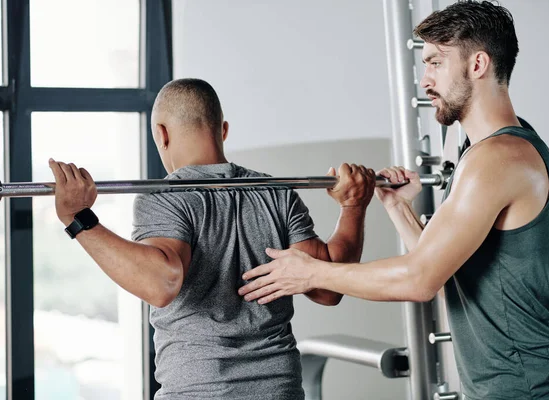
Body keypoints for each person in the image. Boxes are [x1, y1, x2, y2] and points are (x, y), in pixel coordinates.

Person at [238, 2, 549, 399]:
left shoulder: (497, 159)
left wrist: (311, 274)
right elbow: (445, 270)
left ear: (478, 65)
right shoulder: (486, 152)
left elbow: (420, 279)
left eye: (436, 63)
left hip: (534, 392)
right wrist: (396, 205)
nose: (425, 81)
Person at [47, 78, 376, 399]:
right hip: (280, 389)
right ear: (223, 129)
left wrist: (79, 219)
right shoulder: (277, 192)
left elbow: (161, 283)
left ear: (161, 135)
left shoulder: (165, 196)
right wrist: (353, 206)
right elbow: (328, 289)